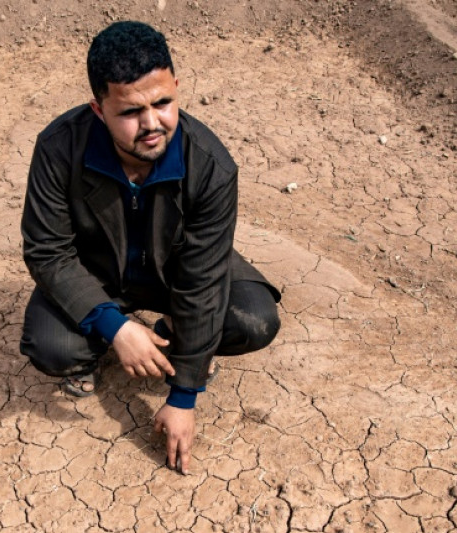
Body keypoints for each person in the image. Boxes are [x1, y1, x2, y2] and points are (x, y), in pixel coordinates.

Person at [19, 21, 280, 474]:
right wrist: (115, 327)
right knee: (52, 349)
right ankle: (112, 343)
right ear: (98, 109)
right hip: (98, 276)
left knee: (254, 320)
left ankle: (173, 333)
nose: (152, 123)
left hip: (177, 276)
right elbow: (47, 251)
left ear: (177, 87)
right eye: (130, 112)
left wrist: (184, 396)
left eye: (163, 102)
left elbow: (203, 279)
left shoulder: (211, 165)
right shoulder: (59, 148)